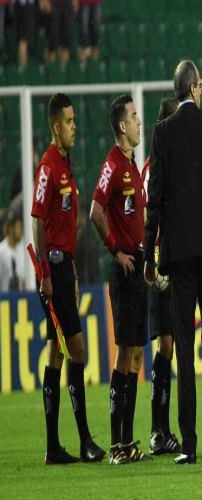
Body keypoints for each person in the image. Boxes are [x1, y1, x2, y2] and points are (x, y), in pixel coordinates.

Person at [144, 59, 202, 465]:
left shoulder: (163, 133)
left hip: (179, 255)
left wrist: (151, 254)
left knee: (184, 346)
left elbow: (156, 200)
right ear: (195, 88)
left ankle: (189, 444)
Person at [31, 93, 105, 465]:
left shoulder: (64, 165)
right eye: (71, 121)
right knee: (76, 350)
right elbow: (38, 221)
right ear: (56, 126)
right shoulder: (48, 168)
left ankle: (53, 446)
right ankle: (83, 441)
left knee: (58, 352)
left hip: (63, 268)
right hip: (53, 272)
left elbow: (59, 228)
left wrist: (68, 269)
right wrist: (46, 274)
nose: (76, 127)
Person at [90, 94, 151, 465]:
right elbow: (96, 210)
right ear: (121, 127)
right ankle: (117, 445)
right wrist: (115, 250)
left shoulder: (131, 164)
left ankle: (127, 443)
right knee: (124, 353)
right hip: (125, 268)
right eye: (133, 116)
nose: (139, 121)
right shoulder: (113, 165)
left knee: (136, 354)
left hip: (138, 264)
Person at [141, 97, 180, 456]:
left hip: (168, 260)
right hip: (158, 264)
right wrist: (153, 260)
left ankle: (163, 429)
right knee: (164, 345)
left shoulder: (162, 163)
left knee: (169, 345)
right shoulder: (155, 166)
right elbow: (149, 216)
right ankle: (157, 429)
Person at [0, 208, 25, 292]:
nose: (21, 230)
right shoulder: (1, 251)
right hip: (5, 302)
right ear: (10, 228)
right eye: (18, 227)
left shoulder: (24, 249)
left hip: (23, 300)